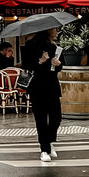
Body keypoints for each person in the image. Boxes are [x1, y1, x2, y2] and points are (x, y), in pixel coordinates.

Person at [22, 27, 62, 163]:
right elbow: (26, 66)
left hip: (52, 85)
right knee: (41, 118)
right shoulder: (30, 46)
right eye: (55, 29)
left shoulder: (53, 46)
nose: (56, 32)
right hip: (37, 86)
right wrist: (41, 61)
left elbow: (60, 66)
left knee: (57, 117)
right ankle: (44, 149)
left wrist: (57, 64)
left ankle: (48, 141)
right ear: (48, 30)